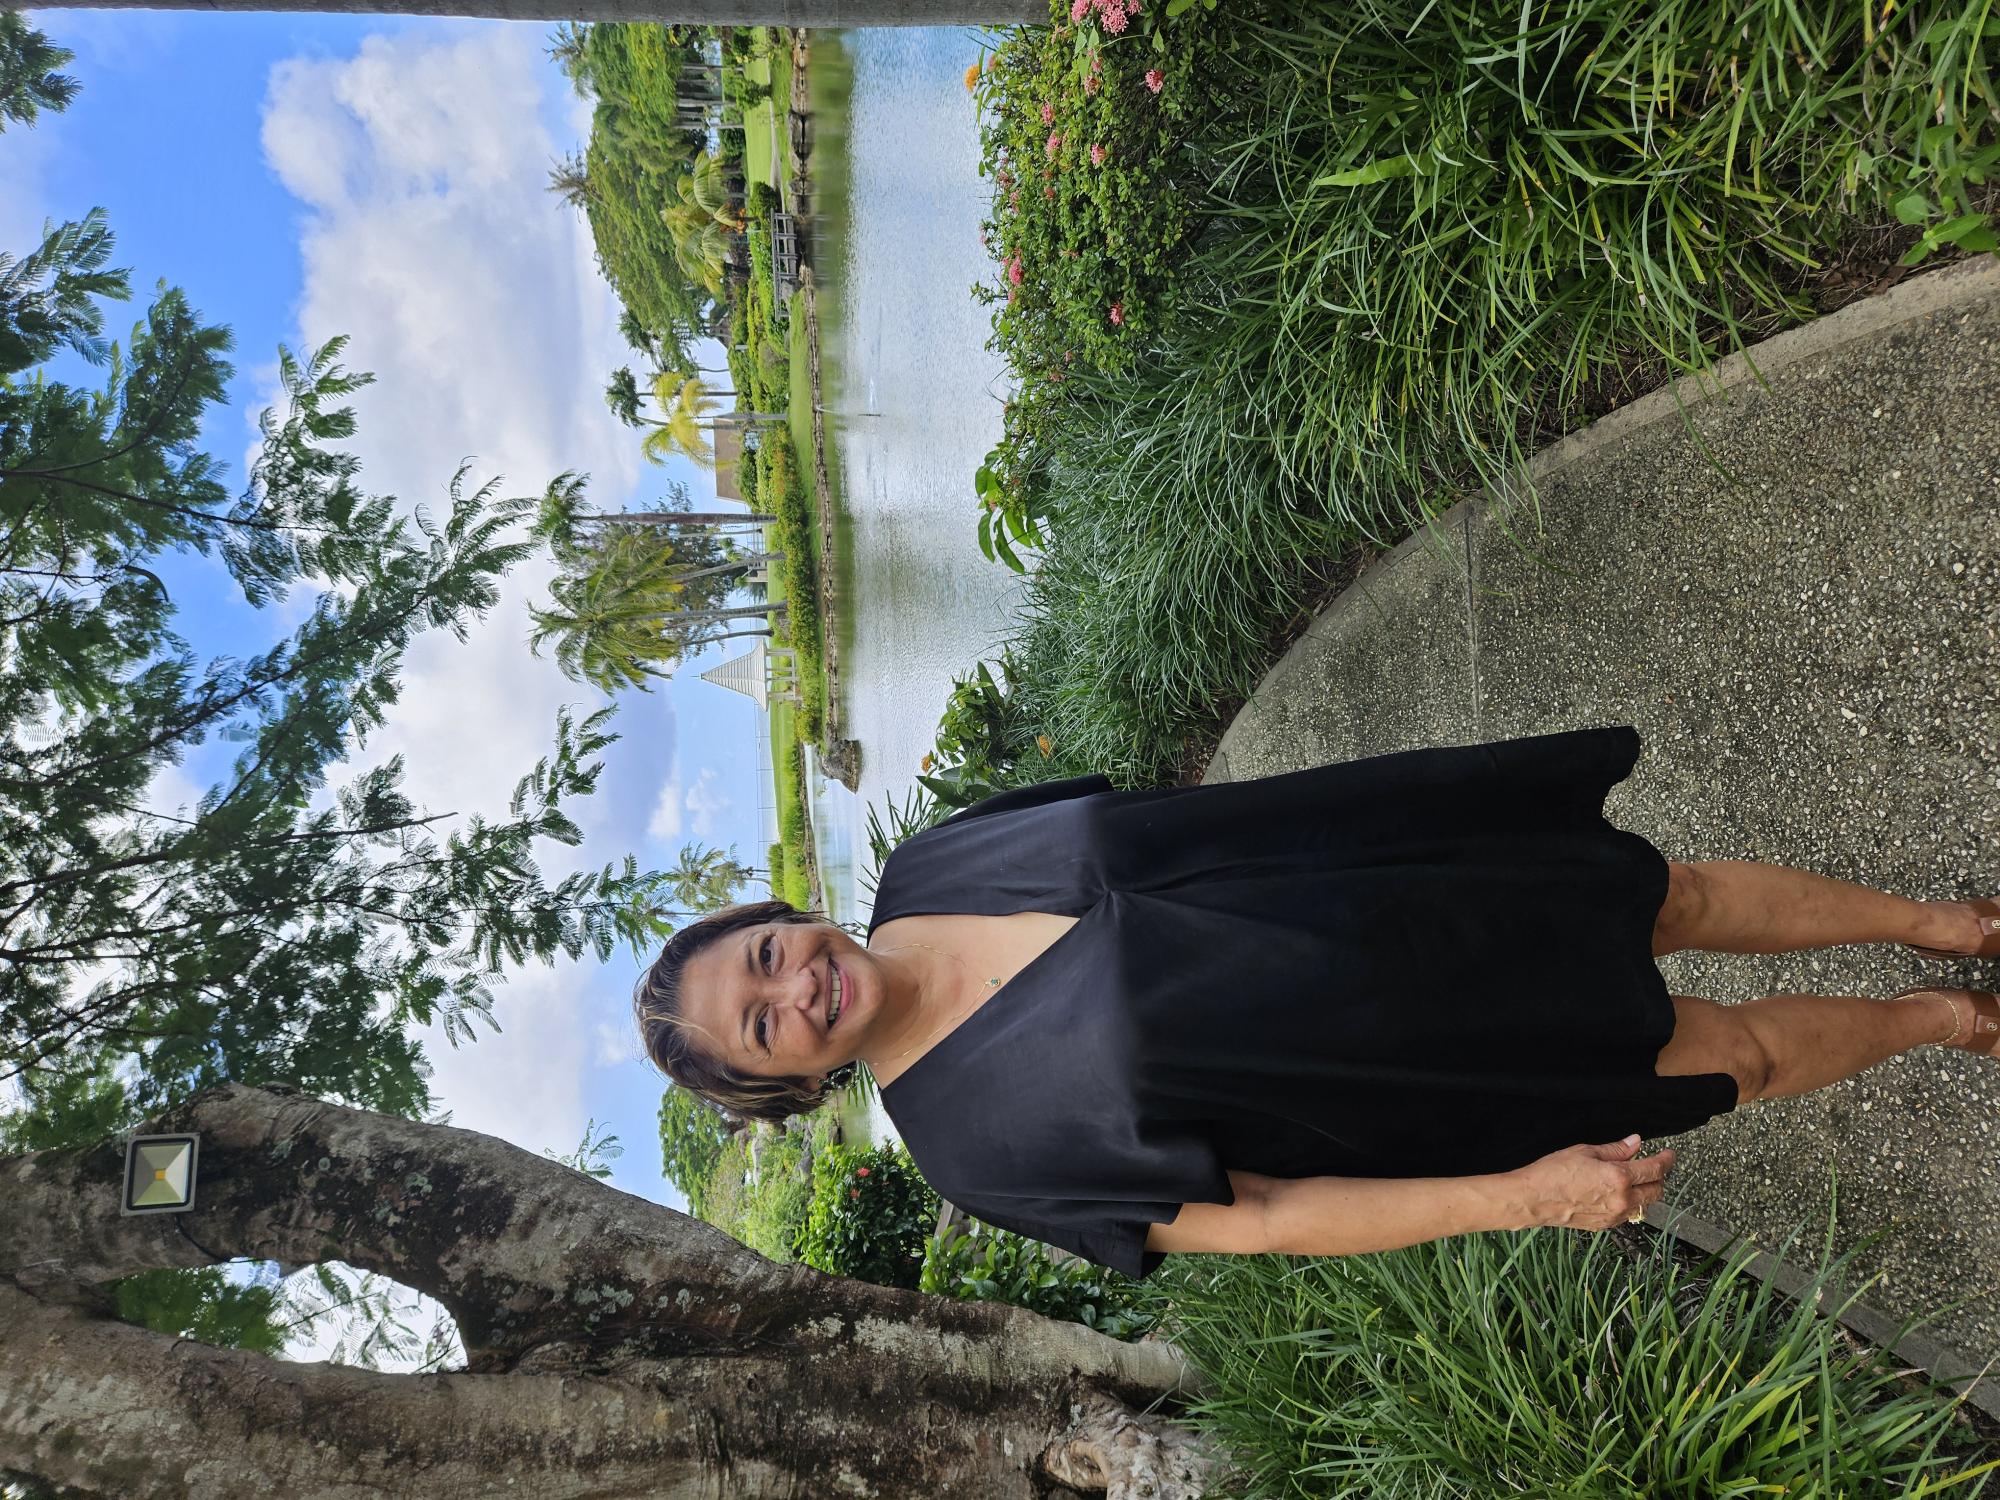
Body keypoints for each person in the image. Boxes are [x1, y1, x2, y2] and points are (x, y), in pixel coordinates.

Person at [634, 726, 2000, 1279]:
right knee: (1729, 1060)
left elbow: (1189, 833)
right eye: (764, 1026)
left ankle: (1941, 927)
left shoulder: (937, 861)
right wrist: (1520, 1194)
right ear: (794, 1084)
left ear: (777, 918)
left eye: (762, 954)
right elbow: (1265, 1218)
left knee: (1670, 893)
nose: (794, 986)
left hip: (1393, 874)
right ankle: (1943, 1021)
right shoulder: (975, 1150)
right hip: (1428, 1067)